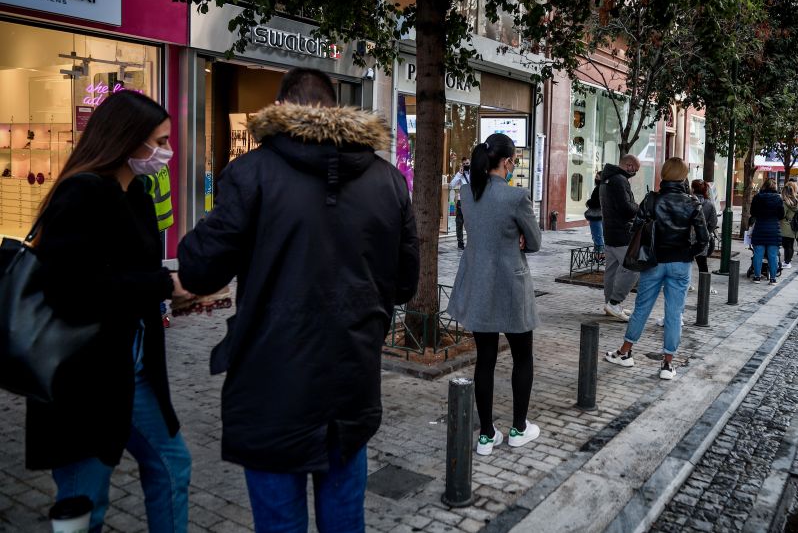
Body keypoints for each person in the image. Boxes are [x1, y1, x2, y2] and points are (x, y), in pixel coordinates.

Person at [177, 68, 419, 532]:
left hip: (271, 386)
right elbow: (406, 283)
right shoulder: (389, 182)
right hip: (351, 382)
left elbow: (198, 268)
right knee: (344, 519)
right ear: (337, 109)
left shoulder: (250, 174)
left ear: (282, 108)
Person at [27, 91, 192, 533]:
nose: (165, 153)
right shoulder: (80, 194)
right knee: (85, 502)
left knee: (173, 466)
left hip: (134, 371)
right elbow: (72, 290)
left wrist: (175, 297)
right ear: (127, 140)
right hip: (85, 380)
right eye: (158, 141)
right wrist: (163, 285)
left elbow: (134, 275)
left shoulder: (134, 192)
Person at [446, 132, 543, 455]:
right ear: (506, 162)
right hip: (511, 284)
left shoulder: (466, 192)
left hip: (478, 283)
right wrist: (520, 239)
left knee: (484, 360)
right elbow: (536, 241)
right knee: (522, 357)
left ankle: (486, 435)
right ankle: (519, 428)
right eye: (513, 160)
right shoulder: (516, 197)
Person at [604, 158, 708, 379]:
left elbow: (636, 228)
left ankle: (625, 352)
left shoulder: (652, 200)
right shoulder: (692, 203)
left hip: (653, 262)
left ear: (664, 175)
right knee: (673, 313)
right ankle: (667, 366)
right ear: (683, 176)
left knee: (642, 308)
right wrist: (688, 253)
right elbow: (703, 239)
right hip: (680, 263)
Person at [599, 154, 642, 321]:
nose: (635, 173)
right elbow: (626, 208)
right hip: (622, 232)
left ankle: (609, 304)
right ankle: (614, 303)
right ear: (629, 166)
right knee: (633, 267)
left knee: (611, 270)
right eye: (635, 170)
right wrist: (639, 206)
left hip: (609, 231)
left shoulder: (606, 179)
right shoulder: (619, 180)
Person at [749, 178, 785, 283]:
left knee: (758, 254)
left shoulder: (757, 197)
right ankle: (773, 278)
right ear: (775, 187)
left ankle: (757, 277)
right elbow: (781, 215)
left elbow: (753, 212)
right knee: (773, 255)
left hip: (760, 228)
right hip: (774, 229)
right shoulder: (778, 199)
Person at [450, 156, 471, 249]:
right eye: (464, 164)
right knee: (459, 222)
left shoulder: (474, 174)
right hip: (461, 201)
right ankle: (460, 242)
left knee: (470, 223)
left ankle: (471, 242)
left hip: (472, 201)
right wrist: (459, 174)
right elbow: (451, 185)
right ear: (462, 165)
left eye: (467, 163)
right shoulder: (460, 175)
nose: (466, 165)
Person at [781, 181, 798, 267]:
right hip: (793, 225)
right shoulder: (796, 201)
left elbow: (782, 215)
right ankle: (788, 261)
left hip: (785, 226)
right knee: (790, 245)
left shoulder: (785, 203)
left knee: (786, 246)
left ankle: (787, 262)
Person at [585, 173, 605, 258]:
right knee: (600, 235)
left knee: (597, 235)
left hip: (596, 215)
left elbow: (598, 202)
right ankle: (600, 253)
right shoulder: (605, 187)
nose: (595, 178)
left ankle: (599, 255)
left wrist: (589, 202)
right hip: (602, 215)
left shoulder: (599, 188)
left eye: (597, 177)